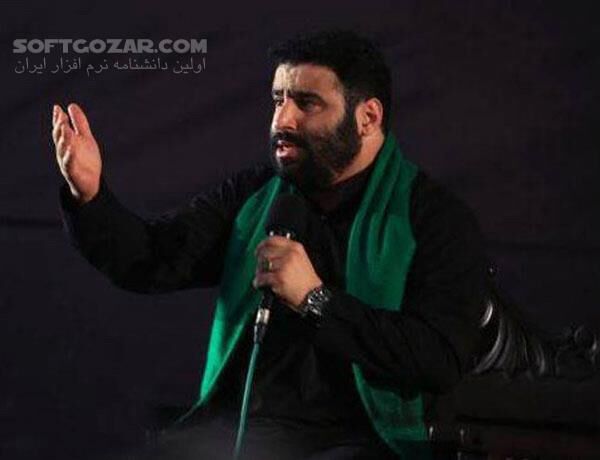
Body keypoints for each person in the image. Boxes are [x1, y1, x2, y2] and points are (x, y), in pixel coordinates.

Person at [52, 30, 487, 459]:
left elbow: (439, 359)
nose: (283, 120)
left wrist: (316, 300)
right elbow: (151, 259)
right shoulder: (253, 197)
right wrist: (89, 195)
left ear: (367, 117)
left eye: (307, 103)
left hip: (363, 438)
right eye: (279, 100)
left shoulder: (432, 218)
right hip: (244, 431)